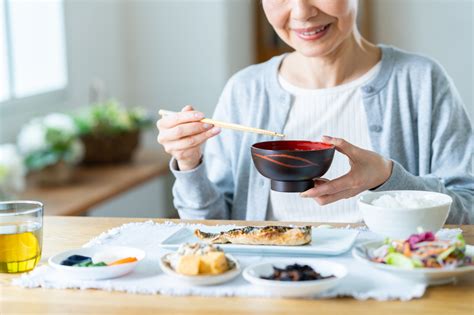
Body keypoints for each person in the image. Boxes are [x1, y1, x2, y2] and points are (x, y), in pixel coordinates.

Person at [156, 0, 473, 223]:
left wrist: (387, 178)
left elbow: (468, 208)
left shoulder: (420, 80)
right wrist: (189, 163)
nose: (302, 12)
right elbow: (214, 228)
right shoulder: (246, 89)